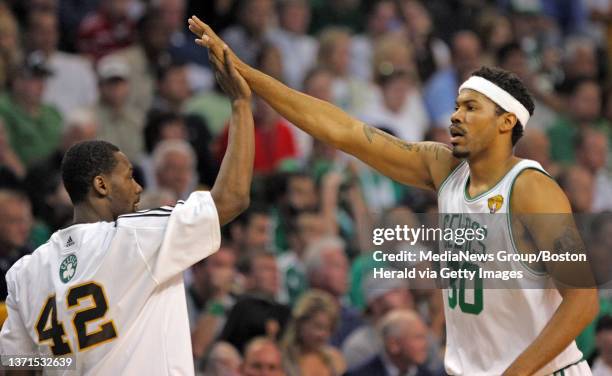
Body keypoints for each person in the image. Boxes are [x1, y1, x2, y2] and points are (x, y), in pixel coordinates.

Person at [188, 16, 599, 375]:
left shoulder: (531, 189)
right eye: (456, 105)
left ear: (507, 121)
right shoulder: (442, 169)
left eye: (471, 107)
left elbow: (582, 301)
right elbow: (343, 130)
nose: (455, 115)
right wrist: (247, 74)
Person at [0, 48, 255, 375]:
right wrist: (241, 104)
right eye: (130, 176)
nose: (138, 188)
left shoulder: (25, 271)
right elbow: (232, 198)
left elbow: (15, 365)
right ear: (101, 185)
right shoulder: (137, 235)